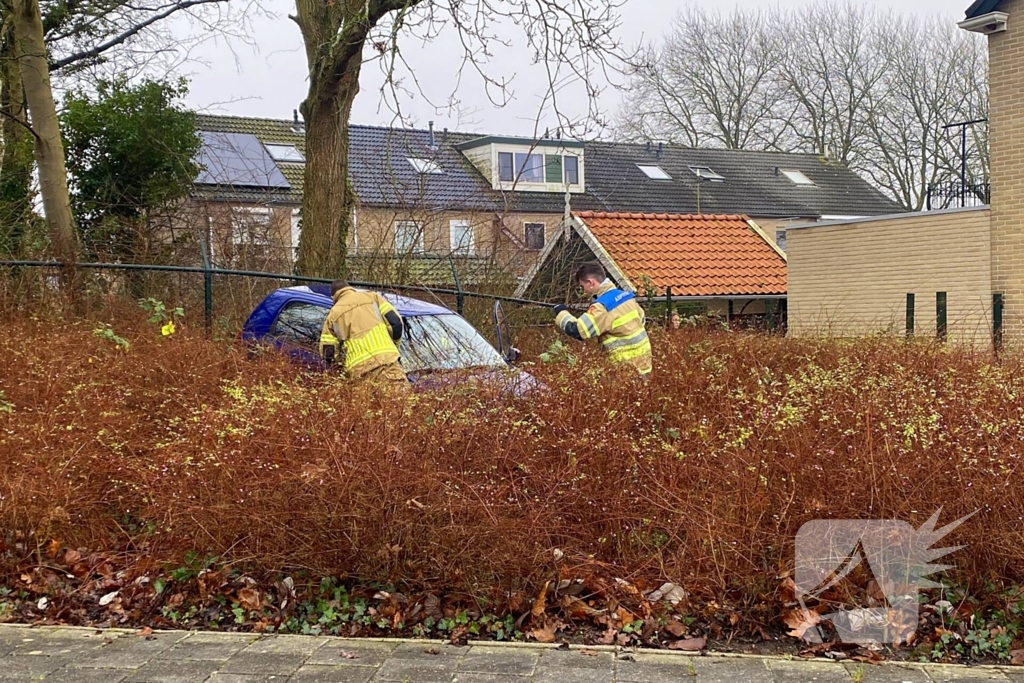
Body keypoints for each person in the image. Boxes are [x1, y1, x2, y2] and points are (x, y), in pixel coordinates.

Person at [553, 261, 653, 377]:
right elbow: (641, 320)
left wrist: (561, 312)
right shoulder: (625, 296)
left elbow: (577, 330)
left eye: (582, 286)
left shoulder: (602, 307)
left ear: (591, 283)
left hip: (623, 370)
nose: (583, 291)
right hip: (645, 364)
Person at [319, 280, 408, 390]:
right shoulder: (373, 298)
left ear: (333, 297)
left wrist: (341, 371)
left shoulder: (333, 314)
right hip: (387, 364)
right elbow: (396, 323)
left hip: (359, 374)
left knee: (367, 407)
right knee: (399, 405)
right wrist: (393, 347)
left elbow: (328, 352)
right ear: (350, 288)